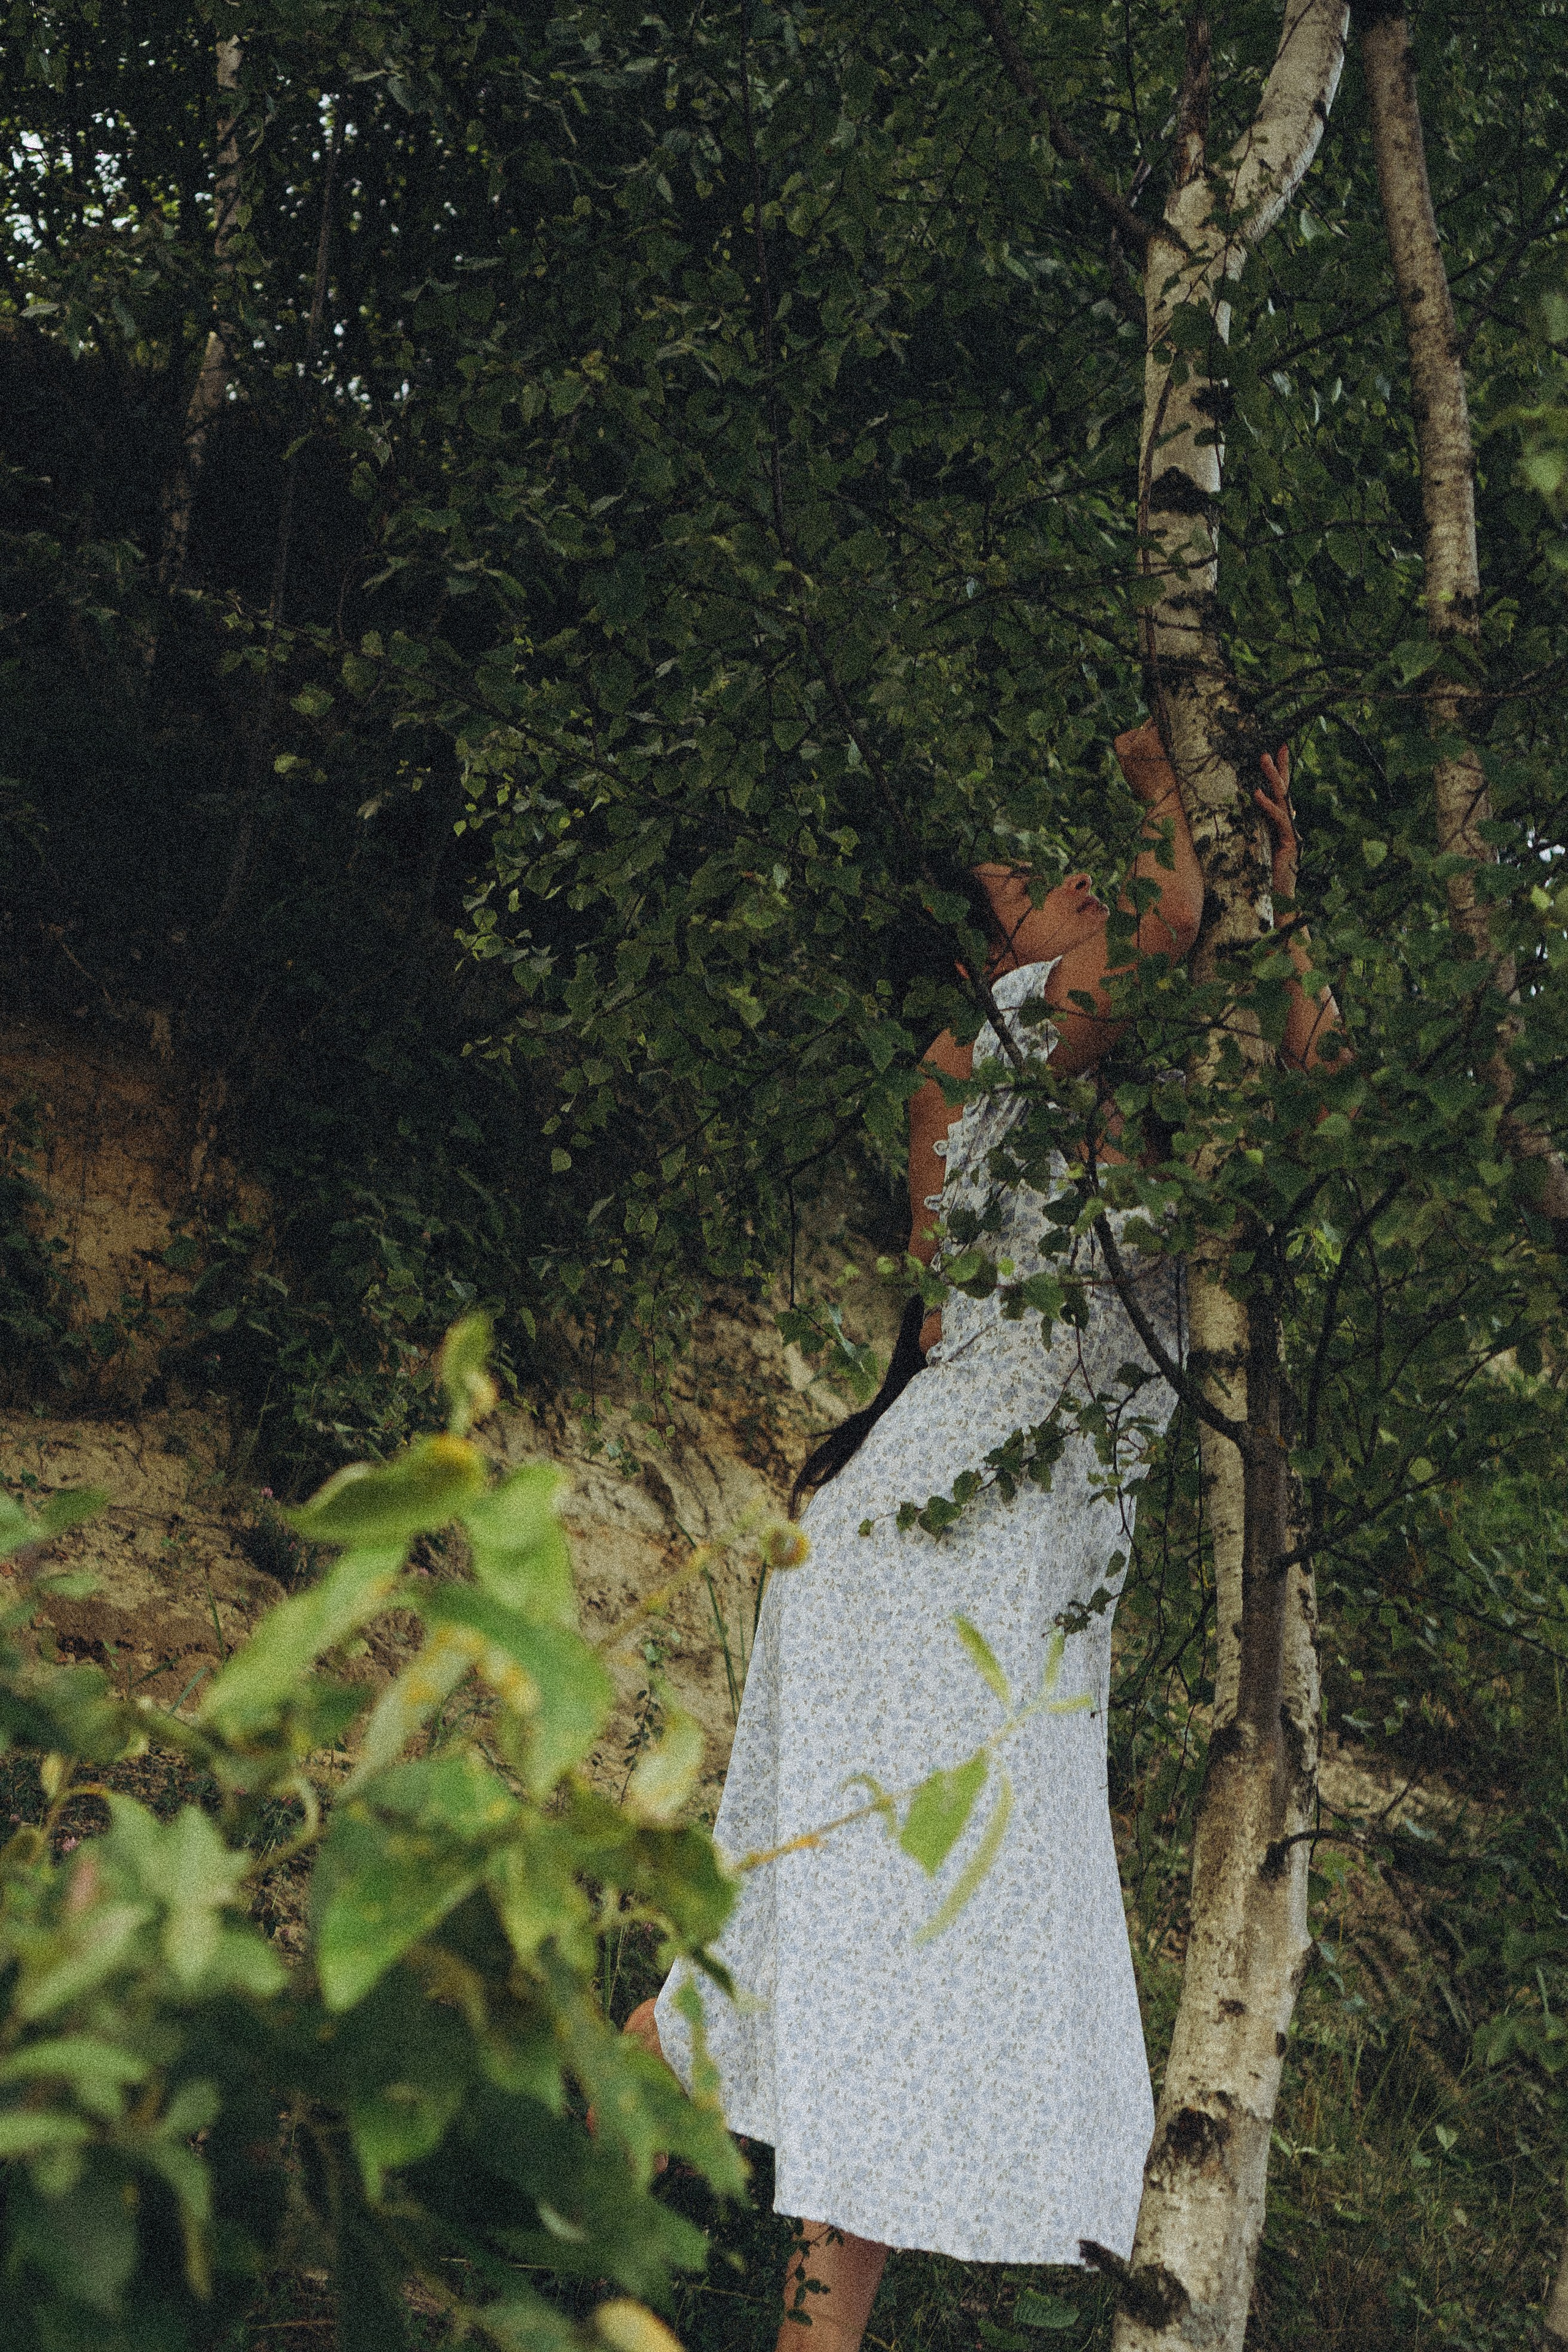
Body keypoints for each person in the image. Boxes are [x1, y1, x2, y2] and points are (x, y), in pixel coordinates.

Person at [624, 725, 1335, 2352]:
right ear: (989, 949)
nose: (1076, 885)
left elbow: (1325, 1088)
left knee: (836, 1947)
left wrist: (1273, 878)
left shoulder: (1138, 1123)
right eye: (1041, 886)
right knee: (902, 1948)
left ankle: (539, 2159)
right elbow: (1155, 938)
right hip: (942, 1563)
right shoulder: (986, 1055)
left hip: (979, 1563)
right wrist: (1183, 799)